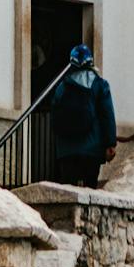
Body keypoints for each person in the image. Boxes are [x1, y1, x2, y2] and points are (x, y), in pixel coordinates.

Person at [50, 43, 117, 187]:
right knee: (90, 189)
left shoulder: (62, 87)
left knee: (68, 191)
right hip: (92, 149)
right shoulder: (100, 84)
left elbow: (55, 116)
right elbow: (107, 115)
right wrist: (110, 143)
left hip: (66, 150)